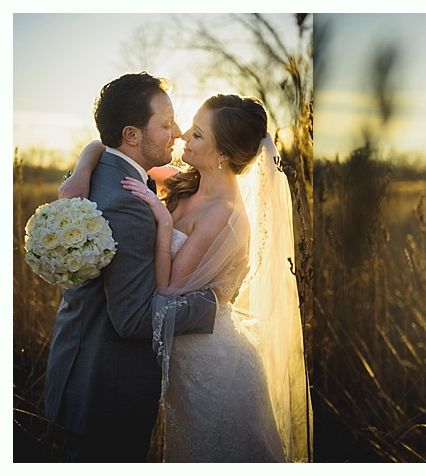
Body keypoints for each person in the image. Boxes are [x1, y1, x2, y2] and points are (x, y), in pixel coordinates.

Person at [60, 89, 312, 462]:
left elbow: (168, 288)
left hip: (213, 363)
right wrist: (83, 167)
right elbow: (114, 150)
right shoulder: (186, 181)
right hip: (181, 355)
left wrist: (163, 221)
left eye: (196, 134)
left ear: (222, 154)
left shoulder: (223, 214)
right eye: (186, 128)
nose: (182, 136)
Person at [44, 72, 218, 462]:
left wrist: (83, 165)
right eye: (166, 123)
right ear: (132, 135)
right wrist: (211, 304)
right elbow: (133, 319)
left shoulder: (106, 169)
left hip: (79, 375)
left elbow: (96, 143)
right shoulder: (127, 204)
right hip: (105, 395)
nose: (175, 132)